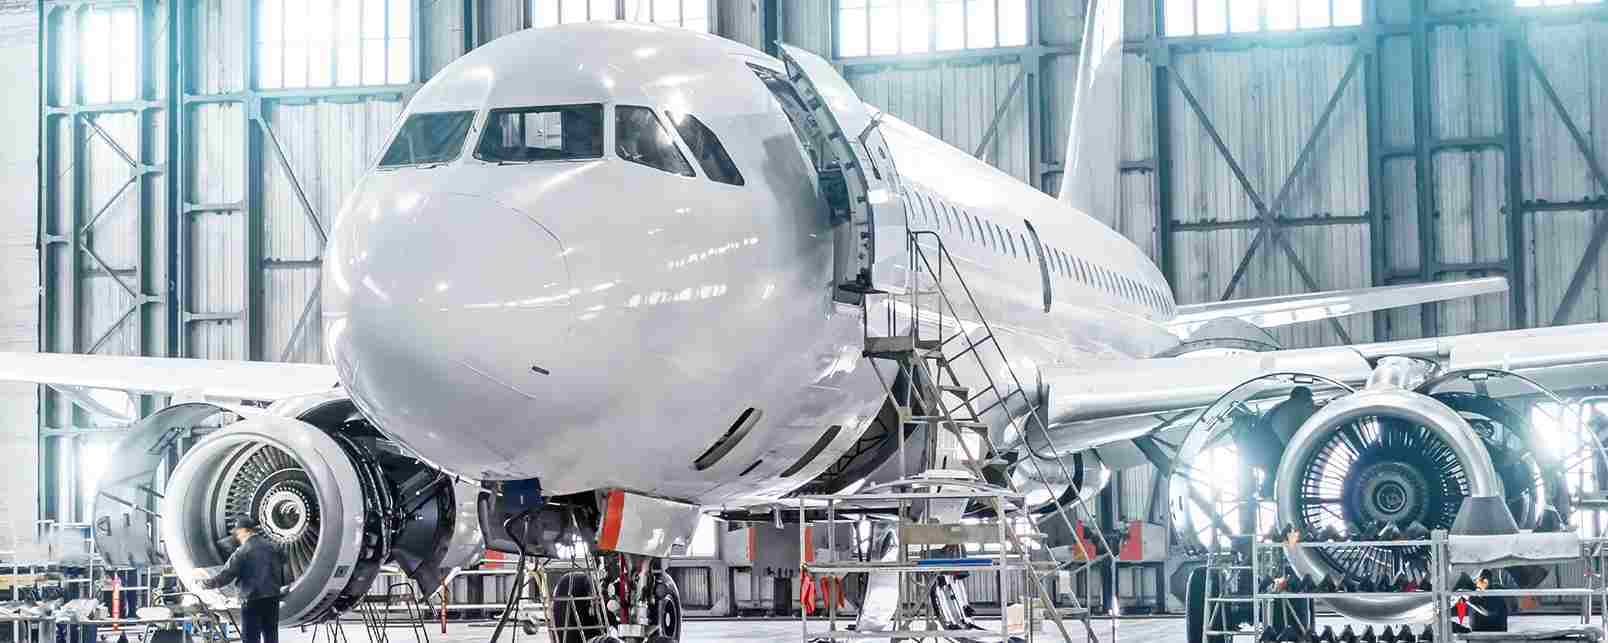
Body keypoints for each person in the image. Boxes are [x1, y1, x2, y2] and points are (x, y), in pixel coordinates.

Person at [193, 516, 288, 643]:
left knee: (250, 638)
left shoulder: (242, 551)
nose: (237, 536)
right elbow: (284, 559)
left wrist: (205, 584)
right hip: (272, 598)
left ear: (244, 530)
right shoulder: (272, 546)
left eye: (237, 532)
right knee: (271, 636)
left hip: (252, 600)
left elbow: (226, 576)